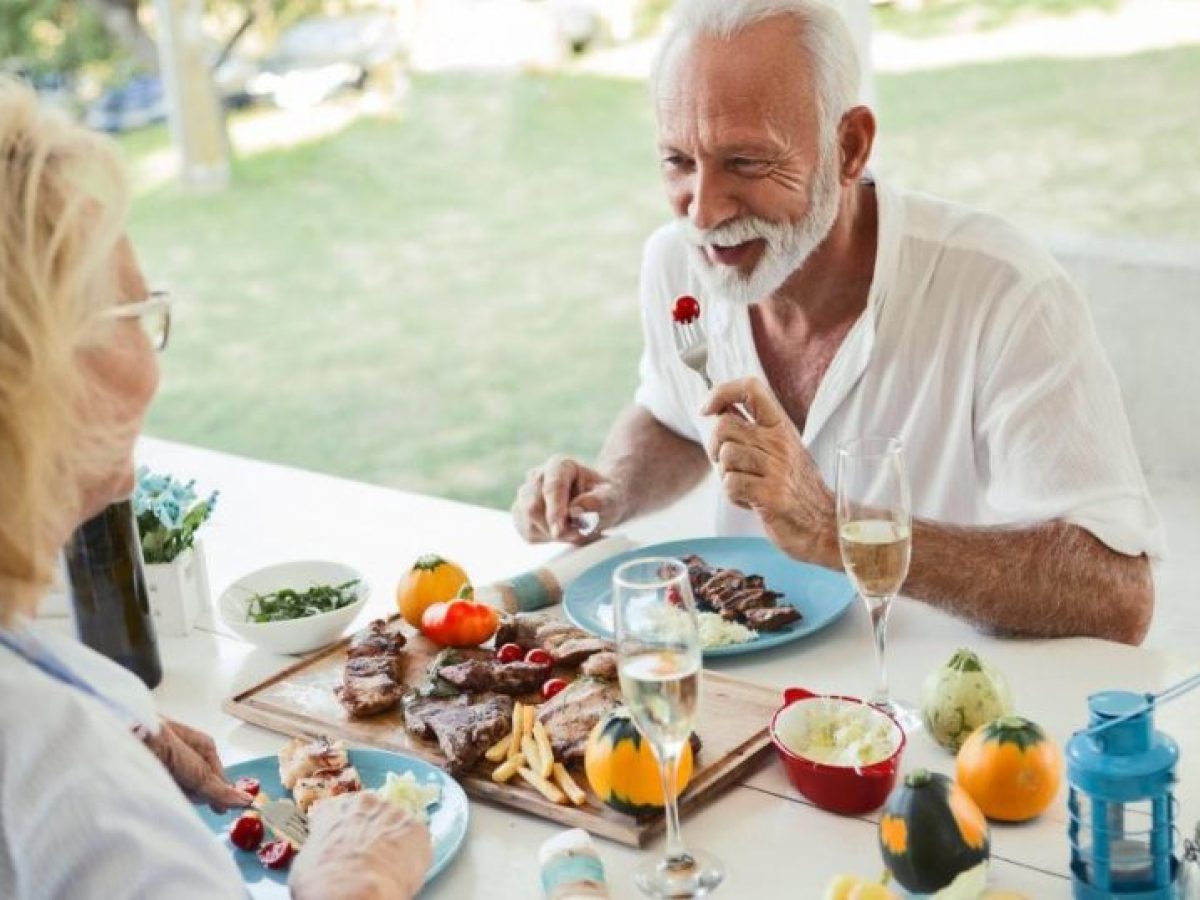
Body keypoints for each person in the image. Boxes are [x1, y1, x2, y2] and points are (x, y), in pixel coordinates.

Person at [512, 0, 1164, 645]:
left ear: (849, 147)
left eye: (746, 162)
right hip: (746, 690)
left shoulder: (1005, 291)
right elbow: (675, 415)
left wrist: (836, 529)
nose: (703, 213)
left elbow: (1116, 593)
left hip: (945, 694)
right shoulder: (676, 263)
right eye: (678, 161)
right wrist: (612, 490)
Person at [0, 78, 431, 899]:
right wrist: (353, 879)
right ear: (33, 377)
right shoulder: (65, 779)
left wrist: (120, 721)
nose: (153, 360)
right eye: (137, 312)